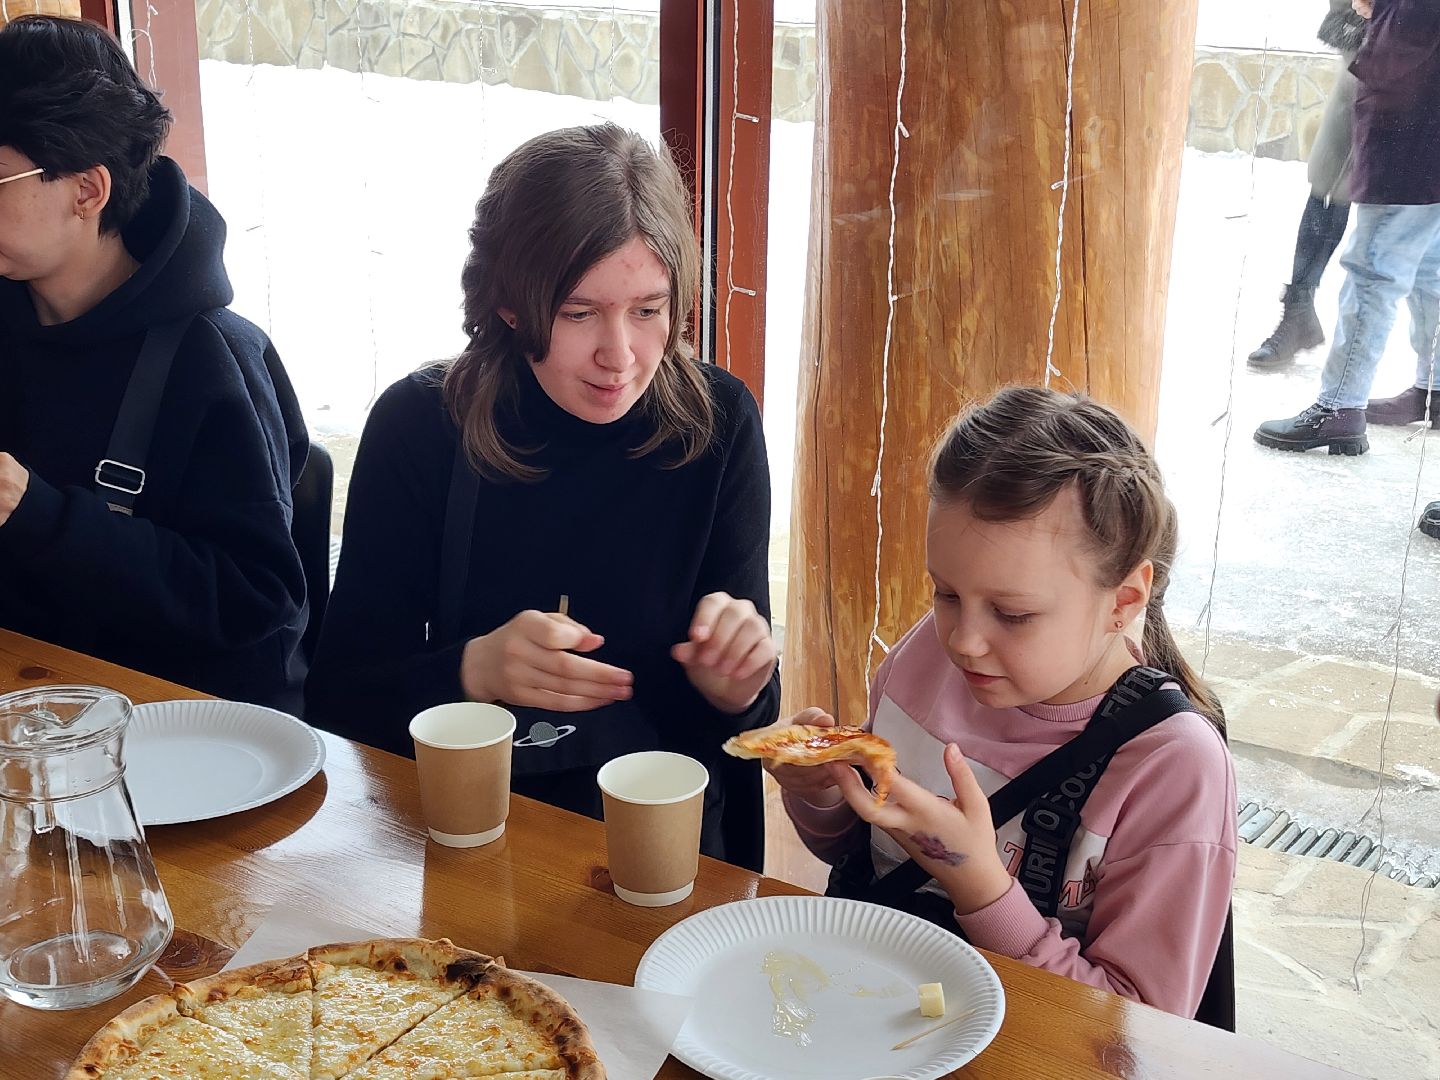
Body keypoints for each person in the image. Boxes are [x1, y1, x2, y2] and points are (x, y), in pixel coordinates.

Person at [305, 124, 780, 863]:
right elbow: (340, 699)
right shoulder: (423, 424)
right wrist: (473, 670)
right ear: (510, 303)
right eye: (578, 313)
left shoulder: (718, 424)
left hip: (657, 853)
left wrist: (739, 684)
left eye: (650, 311)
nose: (619, 357)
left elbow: (752, 720)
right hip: (468, 839)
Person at [767, 387, 1236, 1019]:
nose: (964, 641)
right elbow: (862, 860)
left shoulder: (1173, 769)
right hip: (865, 1013)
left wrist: (981, 886)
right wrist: (820, 791)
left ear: (1124, 602)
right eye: (946, 593)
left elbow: (1137, 1029)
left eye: (1013, 614)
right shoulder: (922, 663)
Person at [0, 16, 309, 710]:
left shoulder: (212, 360)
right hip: (28, 711)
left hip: (174, 740)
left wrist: (36, 514)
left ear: (87, 190)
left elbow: (253, 604)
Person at [1255, 0, 1440, 454]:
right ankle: (1433, 388)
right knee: (1427, 265)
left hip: (1413, 123)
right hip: (1423, 119)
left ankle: (1339, 406)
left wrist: (1375, 11)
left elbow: (1407, 32)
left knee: (1376, 269)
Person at [1247, 0, 1366, 367]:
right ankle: (1299, 310)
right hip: (1369, 55)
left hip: (1418, 62)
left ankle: (1430, 381)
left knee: (1408, 236)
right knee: (1329, 184)